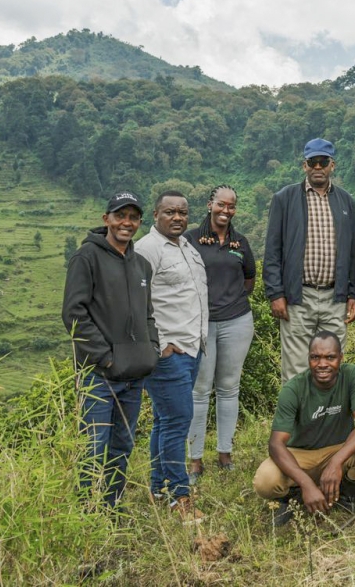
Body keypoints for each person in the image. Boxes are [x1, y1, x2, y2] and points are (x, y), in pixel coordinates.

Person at [62, 190, 159, 510]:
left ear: (139, 223)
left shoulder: (141, 265)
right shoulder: (86, 258)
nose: (126, 223)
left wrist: (152, 348)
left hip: (133, 376)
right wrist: (105, 357)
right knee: (92, 447)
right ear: (106, 219)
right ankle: (85, 513)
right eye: (120, 216)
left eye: (133, 217)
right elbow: (74, 313)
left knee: (122, 446)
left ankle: (111, 507)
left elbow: (147, 315)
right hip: (98, 376)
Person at [252, 331, 355, 525]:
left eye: (330, 357)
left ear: (340, 358)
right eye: (315, 357)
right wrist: (305, 483)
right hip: (300, 454)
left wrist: (336, 462)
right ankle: (293, 499)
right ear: (309, 359)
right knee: (265, 480)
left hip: (337, 449)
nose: (322, 364)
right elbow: (276, 444)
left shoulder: (352, 375)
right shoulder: (293, 389)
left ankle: (345, 498)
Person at [135, 190, 209, 522]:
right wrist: (160, 343)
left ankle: (157, 489)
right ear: (155, 215)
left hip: (191, 347)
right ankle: (179, 498)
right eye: (170, 212)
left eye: (182, 212)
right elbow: (136, 300)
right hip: (168, 353)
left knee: (165, 422)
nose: (177, 217)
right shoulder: (147, 249)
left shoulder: (185, 246)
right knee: (178, 422)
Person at [264, 138, 355, 382]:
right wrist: (276, 294)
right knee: (296, 370)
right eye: (312, 162)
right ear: (304, 165)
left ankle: (328, 419)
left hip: (334, 299)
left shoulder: (346, 201)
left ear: (332, 165)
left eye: (323, 162)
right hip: (298, 298)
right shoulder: (284, 198)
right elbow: (273, 249)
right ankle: (296, 420)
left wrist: (353, 294)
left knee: (331, 369)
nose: (318, 167)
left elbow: (354, 253)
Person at [184, 185, 256, 481]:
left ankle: (225, 453)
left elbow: (249, 278)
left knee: (229, 388)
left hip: (237, 321)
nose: (226, 210)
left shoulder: (240, 242)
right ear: (210, 204)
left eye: (231, 206)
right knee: (200, 391)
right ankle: (195, 459)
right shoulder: (190, 240)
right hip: (200, 325)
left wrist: (232, 299)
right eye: (221, 205)